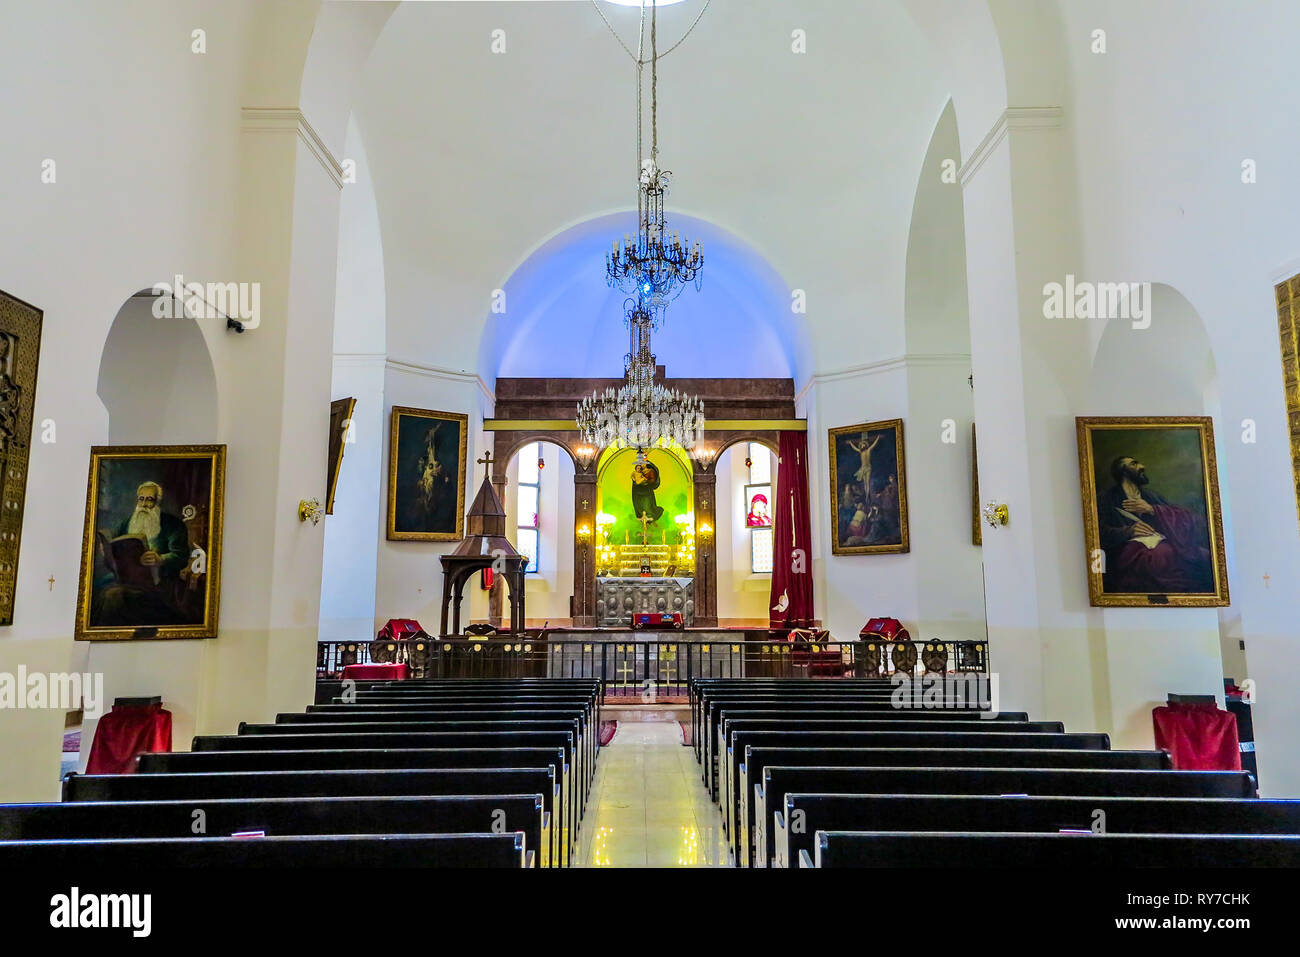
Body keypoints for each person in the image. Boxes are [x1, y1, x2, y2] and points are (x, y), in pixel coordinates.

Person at [1097, 455, 1214, 593]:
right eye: (1134, 464)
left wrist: (1153, 510)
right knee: (1163, 557)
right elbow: (1098, 532)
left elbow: (1183, 517)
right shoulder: (1106, 498)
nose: (1142, 466)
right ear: (1123, 471)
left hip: (1164, 545)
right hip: (1131, 554)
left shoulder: (1152, 497)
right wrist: (1128, 531)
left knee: (1205, 557)